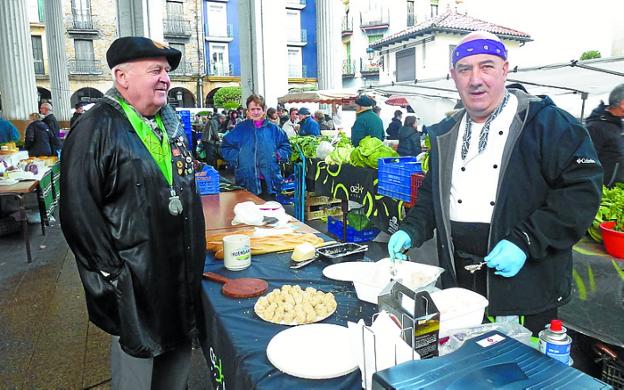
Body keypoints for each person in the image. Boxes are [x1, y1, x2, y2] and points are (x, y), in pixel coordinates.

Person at [387, 31, 602, 335]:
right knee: (462, 360)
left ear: (505, 69)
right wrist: (411, 230)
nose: (476, 79)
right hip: (458, 281)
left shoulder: (548, 123)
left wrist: (526, 241)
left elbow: (581, 192)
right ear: (454, 76)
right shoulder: (445, 133)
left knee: (517, 372)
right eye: (465, 69)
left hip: (524, 283)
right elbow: (433, 198)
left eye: (486, 66)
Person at [59, 36, 206, 390]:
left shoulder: (166, 126)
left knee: (176, 370)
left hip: (177, 276)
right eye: (155, 70)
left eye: (167, 71)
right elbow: (78, 212)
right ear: (122, 78)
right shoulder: (95, 128)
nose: (166, 79)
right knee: (136, 376)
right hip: (135, 286)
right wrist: (115, 274)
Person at [220, 94, 291, 200]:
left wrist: (278, 155)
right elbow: (225, 147)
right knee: (247, 213)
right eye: (252, 109)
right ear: (247, 111)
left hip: (269, 181)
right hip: (247, 180)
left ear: (264, 110)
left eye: (258, 109)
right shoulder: (240, 129)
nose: (256, 112)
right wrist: (238, 157)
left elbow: (286, 146)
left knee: (268, 213)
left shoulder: (274, 129)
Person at [586, 83, 624, 187]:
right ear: (622, 104)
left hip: (617, 189)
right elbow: (586, 161)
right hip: (602, 191)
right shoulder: (595, 127)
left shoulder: (618, 125)